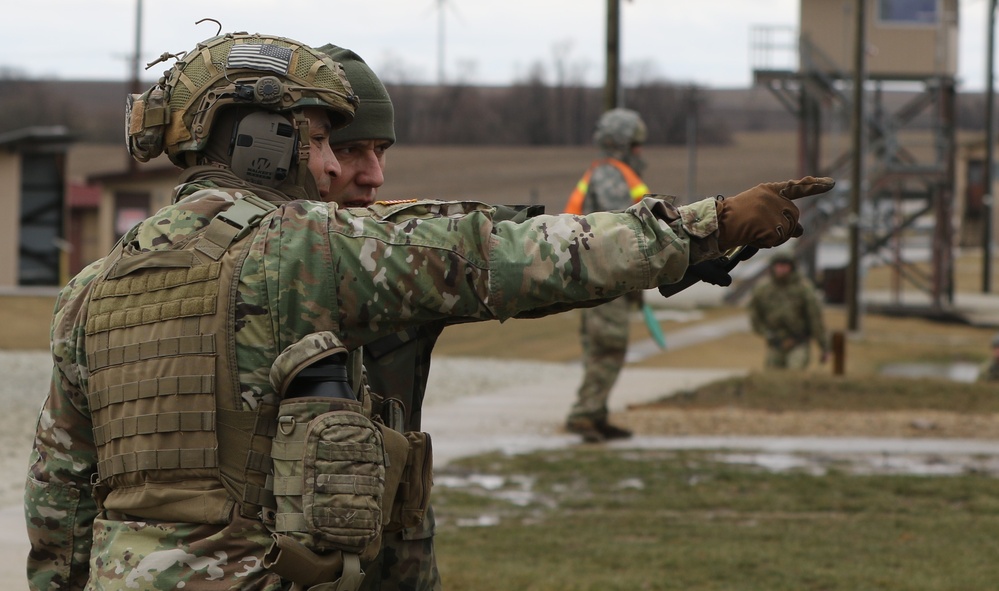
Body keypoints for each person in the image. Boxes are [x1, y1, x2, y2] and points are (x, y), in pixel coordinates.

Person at [23, 30, 834, 591]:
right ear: (260, 143)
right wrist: (706, 226)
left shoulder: (90, 290)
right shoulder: (306, 246)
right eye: (314, 140)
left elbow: (58, 501)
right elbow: (506, 257)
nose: (329, 162)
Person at [318, 43, 441, 590]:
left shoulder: (402, 251)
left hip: (396, 566)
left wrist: (689, 240)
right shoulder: (231, 266)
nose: (374, 177)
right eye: (349, 151)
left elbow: (535, 255)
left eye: (381, 150)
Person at [563, 108, 650, 443]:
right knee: (608, 347)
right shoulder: (613, 175)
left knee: (602, 348)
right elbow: (620, 230)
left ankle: (595, 414)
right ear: (621, 143)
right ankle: (585, 415)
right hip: (604, 276)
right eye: (636, 144)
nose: (641, 151)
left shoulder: (606, 172)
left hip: (598, 275)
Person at [748, 251, 830, 369]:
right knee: (772, 379)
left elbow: (815, 318)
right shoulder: (763, 289)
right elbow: (755, 315)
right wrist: (766, 332)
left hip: (798, 341)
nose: (781, 269)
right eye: (778, 265)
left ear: (791, 267)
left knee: (794, 375)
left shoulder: (803, 289)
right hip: (775, 342)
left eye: (785, 266)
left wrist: (824, 347)